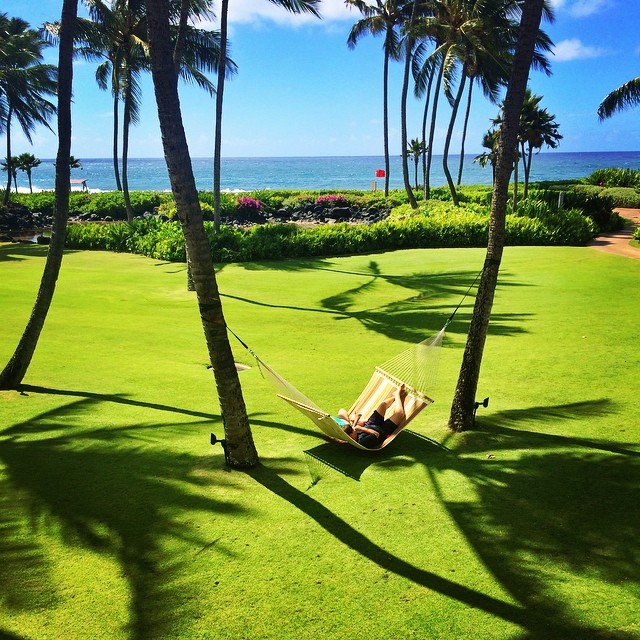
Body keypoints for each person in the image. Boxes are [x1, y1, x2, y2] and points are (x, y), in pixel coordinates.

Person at [335, 384, 407, 449]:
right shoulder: (362, 442)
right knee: (399, 414)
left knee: (383, 405)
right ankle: (397, 395)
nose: (354, 429)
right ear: (350, 436)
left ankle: (396, 396)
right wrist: (361, 428)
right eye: (352, 431)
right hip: (383, 430)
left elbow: (355, 427)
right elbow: (376, 434)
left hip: (371, 424)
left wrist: (357, 419)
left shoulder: (353, 433)